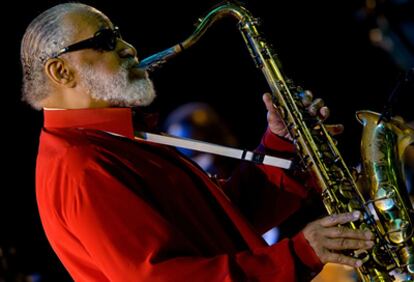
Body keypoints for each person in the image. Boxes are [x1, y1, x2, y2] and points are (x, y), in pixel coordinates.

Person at [20, 3, 375, 281]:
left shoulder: (111, 141)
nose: (128, 48)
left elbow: (226, 223)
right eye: (105, 41)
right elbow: (164, 278)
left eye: (119, 35)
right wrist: (299, 254)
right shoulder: (82, 166)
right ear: (60, 72)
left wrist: (281, 142)